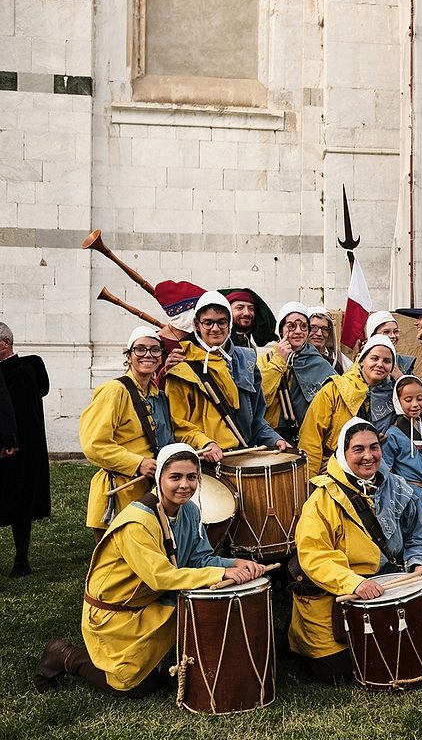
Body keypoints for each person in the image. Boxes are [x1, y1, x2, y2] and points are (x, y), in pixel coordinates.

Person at [33, 444, 267, 695]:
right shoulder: (137, 523)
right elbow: (160, 577)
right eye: (175, 477)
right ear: (159, 478)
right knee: (129, 686)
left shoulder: (188, 510)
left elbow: (199, 559)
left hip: (150, 600)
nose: (184, 485)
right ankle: (63, 655)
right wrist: (220, 574)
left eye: (191, 477)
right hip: (116, 613)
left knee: (158, 672)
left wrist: (233, 564)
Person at [289, 419, 422, 684]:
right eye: (358, 449)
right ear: (344, 453)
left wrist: (418, 565)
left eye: (374, 447)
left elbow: (419, 534)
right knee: (339, 672)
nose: (368, 456)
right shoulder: (322, 500)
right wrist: (355, 583)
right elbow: (314, 555)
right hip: (338, 593)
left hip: (387, 583)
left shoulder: (399, 487)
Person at [163, 292, 287, 464]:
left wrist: (274, 439)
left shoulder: (247, 361)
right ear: (197, 325)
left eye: (221, 322)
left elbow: (256, 419)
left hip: (243, 454)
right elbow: (177, 424)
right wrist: (206, 443)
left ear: (229, 325)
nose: (215, 329)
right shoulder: (181, 366)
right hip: (202, 462)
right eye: (208, 322)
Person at [80, 328, 176, 544]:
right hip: (118, 491)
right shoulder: (114, 391)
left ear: (161, 357)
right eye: (140, 349)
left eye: (154, 350)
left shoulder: (158, 396)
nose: (148, 355)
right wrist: (138, 462)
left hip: (148, 489)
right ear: (129, 356)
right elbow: (94, 444)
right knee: (116, 567)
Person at [298, 334, 398, 475]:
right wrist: (311, 477)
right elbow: (311, 436)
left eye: (387, 361)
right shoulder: (335, 389)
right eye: (374, 358)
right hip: (330, 470)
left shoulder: (394, 397)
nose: (380, 364)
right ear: (362, 360)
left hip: (374, 469)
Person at [0, 322, 50, 577]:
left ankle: (21, 559)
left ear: (5, 343)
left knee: (21, 503)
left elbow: (41, 388)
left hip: (23, 449)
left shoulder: (28, 368)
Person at [258, 302, 336, 442]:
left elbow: (335, 401)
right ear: (280, 329)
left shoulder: (319, 363)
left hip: (307, 437)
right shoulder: (265, 360)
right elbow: (259, 398)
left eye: (304, 326)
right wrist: (279, 361)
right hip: (270, 436)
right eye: (292, 326)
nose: (298, 331)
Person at [382, 375, 422, 509]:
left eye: (419, 398)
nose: (415, 404)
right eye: (408, 400)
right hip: (409, 496)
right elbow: (386, 471)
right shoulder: (392, 434)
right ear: (397, 401)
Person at [363, 310, 417, 375]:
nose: (393, 336)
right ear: (373, 336)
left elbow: (413, 384)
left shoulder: (403, 363)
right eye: (386, 332)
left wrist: (399, 376)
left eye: (396, 331)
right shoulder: (363, 363)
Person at [307, 307, 352, 375]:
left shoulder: (338, 359)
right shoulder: (294, 357)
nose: (319, 333)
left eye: (324, 329)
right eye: (313, 327)